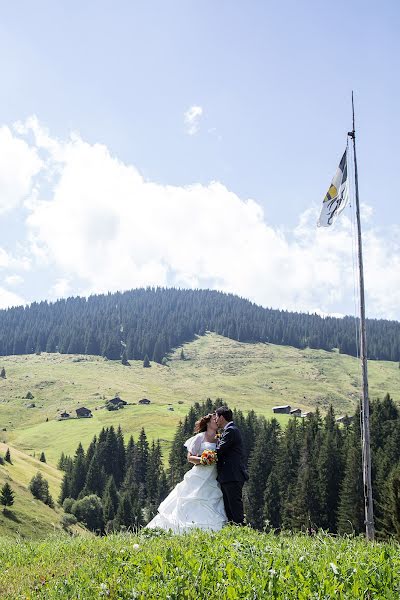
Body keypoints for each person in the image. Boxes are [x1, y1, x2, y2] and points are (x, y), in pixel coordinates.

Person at [146, 413, 227, 532]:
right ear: (208, 423)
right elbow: (190, 457)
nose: (216, 421)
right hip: (200, 472)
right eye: (213, 419)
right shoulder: (200, 437)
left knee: (211, 499)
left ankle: (210, 529)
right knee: (192, 497)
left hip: (214, 474)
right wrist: (203, 460)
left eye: (216, 419)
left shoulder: (220, 437)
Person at [215, 406, 248, 525]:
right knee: (229, 508)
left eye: (217, 417)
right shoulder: (230, 430)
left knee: (235, 508)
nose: (215, 420)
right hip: (229, 476)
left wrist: (203, 457)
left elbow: (220, 450)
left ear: (222, 417)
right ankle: (235, 530)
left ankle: (241, 531)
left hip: (232, 475)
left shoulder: (231, 430)